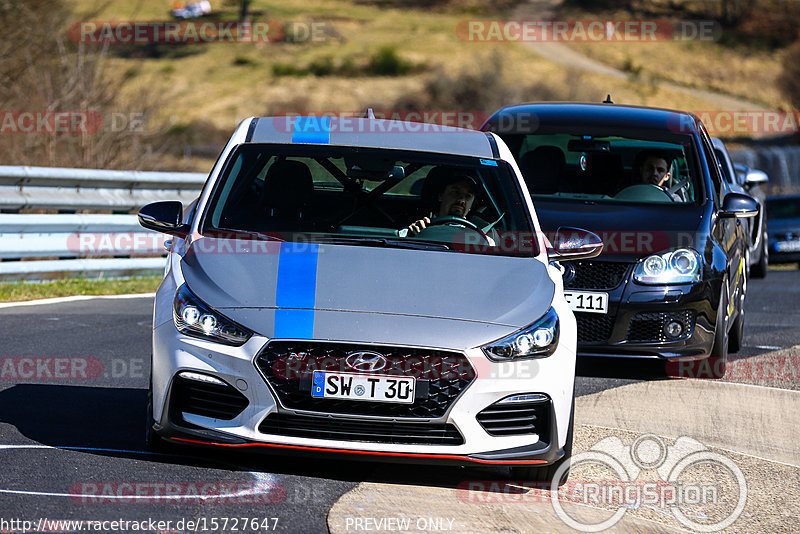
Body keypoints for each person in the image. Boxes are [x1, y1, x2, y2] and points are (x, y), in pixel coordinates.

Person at [405, 174, 478, 235]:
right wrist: (412, 233)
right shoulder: (421, 226)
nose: (461, 200)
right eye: (456, 192)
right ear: (441, 196)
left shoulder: (477, 236)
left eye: (468, 196)